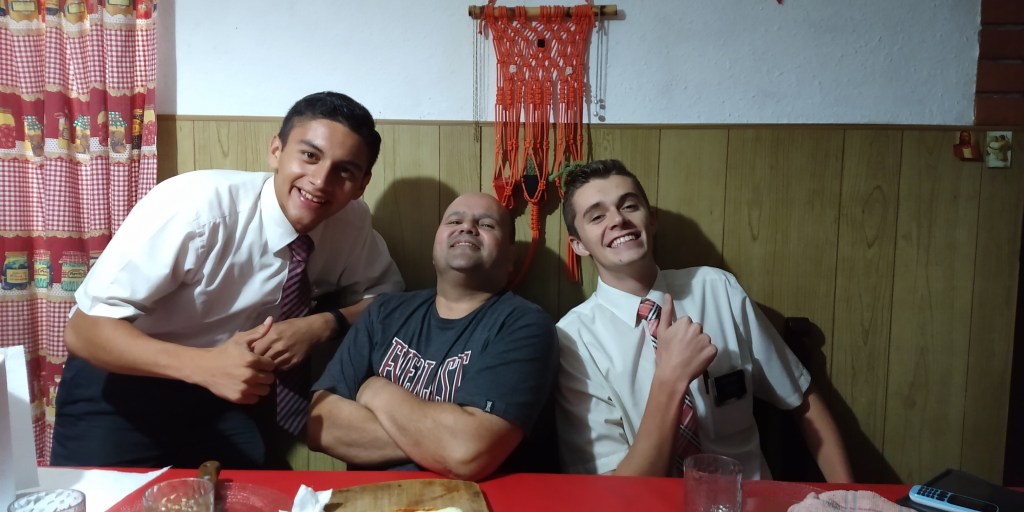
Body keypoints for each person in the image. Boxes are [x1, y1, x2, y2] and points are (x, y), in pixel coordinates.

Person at [50, 91, 404, 469]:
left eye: (344, 171)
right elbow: (85, 330)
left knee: (260, 492)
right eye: (310, 156)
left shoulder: (350, 222)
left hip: (227, 392)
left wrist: (321, 325)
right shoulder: (197, 208)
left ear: (362, 183)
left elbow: (387, 301)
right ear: (276, 151)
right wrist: (204, 366)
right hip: (123, 381)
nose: (320, 181)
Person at [555, 159, 853, 481]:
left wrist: (847, 495)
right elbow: (618, 491)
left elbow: (801, 398)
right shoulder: (575, 338)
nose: (618, 220)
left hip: (748, 498)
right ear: (578, 244)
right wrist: (670, 378)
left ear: (651, 219)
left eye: (629, 206)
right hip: (647, 502)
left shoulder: (717, 289)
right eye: (597, 216)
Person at [307, 192, 559, 482]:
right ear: (434, 247)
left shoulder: (524, 325)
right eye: (454, 221)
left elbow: (467, 453)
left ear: (511, 258)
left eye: (487, 224)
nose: (467, 227)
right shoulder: (383, 312)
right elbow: (321, 426)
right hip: (372, 497)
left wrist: (375, 390)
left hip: (469, 500)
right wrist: (441, 442)